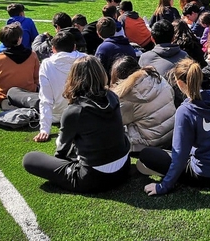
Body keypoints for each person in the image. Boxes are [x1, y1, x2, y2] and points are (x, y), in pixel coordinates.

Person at [22, 56, 131, 193]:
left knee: (30, 159)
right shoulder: (112, 96)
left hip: (93, 178)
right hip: (124, 169)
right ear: (101, 74)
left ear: (74, 77)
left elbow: (62, 150)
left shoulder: (75, 110)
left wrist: (60, 164)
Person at [140, 58, 210, 196]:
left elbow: (179, 157)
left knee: (147, 154)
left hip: (205, 175)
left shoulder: (185, 111)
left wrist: (163, 186)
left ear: (179, 83)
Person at [110, 56, 176, 153]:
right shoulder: (157, 77)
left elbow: (115, 120)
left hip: (150, 142)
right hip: (171, 132)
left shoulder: (128, 97)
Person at [33, 31, 86, 142]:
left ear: (53, 48)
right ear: (74, 46)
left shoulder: (47, 64)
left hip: (58, 115)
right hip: (84, 113)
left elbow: (45, 99)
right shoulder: (86, 59)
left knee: (18, 94)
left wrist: (44, 129)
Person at [0, 23, 40, 109]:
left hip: (5, 99)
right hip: (29, 96)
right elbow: (36, 80)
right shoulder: (32, 55)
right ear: (19, 39)